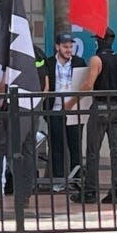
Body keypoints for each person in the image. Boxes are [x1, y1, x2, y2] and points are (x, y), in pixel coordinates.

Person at [0, 45, 49, 210]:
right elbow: (45, 84)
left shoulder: (11, 54)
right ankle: (24, 196)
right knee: (28, 151)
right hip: (32, 108)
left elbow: (3, 84)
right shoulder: (38, 54)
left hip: (11, 108)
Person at [71, 28, 117, 205]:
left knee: (93, 151)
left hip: (100, 106)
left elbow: (89, 84)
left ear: (100, 41)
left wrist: (71, 102)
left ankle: (91, 191)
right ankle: (116, 192)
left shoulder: (96, 59)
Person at [46, 32, 87, 191]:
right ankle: (58, 182)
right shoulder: (49, 63)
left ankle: (76, 181)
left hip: (74, 111)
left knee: (75, 146)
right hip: (55, 109)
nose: (68, 50)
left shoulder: (79, 62)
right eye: (65, 46)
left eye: (70, 46)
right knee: (56, 147)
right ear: (57, 47)